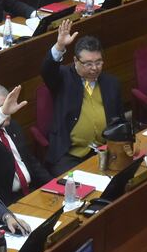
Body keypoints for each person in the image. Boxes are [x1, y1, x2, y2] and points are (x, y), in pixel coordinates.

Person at [41, 21, 125, 175]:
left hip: (105, 150)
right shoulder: (63, 77)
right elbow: (47, 70)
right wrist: (59, 46)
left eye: (98, 62)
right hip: (69, 154)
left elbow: (120, 120)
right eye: (88, 64)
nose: (94, 68)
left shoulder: (112, 83)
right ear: (75, 61)